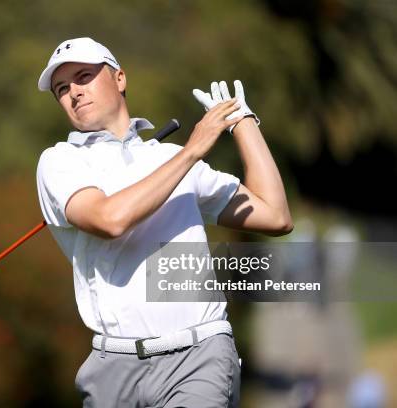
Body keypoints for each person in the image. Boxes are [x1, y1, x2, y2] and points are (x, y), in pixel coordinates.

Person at [35, 37, 292, 408]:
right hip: (112, 366)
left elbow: (276, 215)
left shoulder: (172, 159)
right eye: (62, 88)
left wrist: (243, 122)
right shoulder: (59, 162)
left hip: (198, 355)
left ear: (119, 78)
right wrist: (191, 151)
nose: (74, 92)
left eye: (84, 76)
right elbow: (109, 220)